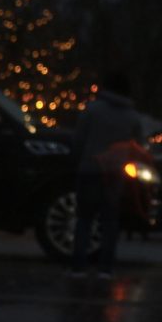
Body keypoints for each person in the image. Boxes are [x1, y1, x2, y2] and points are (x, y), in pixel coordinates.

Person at [69, 72, 143, 279]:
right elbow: (137, 147)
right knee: (110, 221)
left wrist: (76, 161)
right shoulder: (132, 117)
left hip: (89, 169)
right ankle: (106, 267)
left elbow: (78, 140)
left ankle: (78, 266)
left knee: (84, 219)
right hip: (115, 174)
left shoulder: (92, 110)